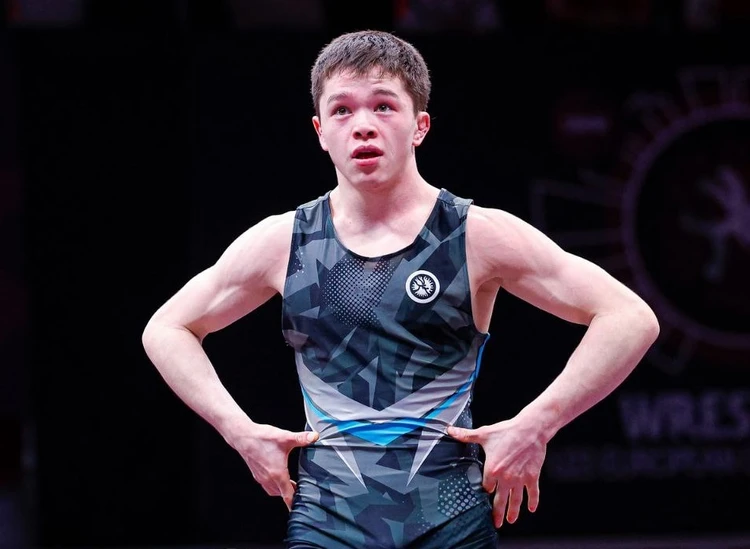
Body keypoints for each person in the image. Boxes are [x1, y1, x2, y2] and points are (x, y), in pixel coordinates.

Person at [141, 30, 660, 549]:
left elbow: (629, 318)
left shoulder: (475, 235)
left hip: (452, 525)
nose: (363, 125)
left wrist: (537, 425)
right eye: (342, 110)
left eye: (384, 106)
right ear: (320, 131)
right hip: (326, 526)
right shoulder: (285, 241)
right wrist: (238, 431)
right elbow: (167, 328)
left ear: (420, 126)